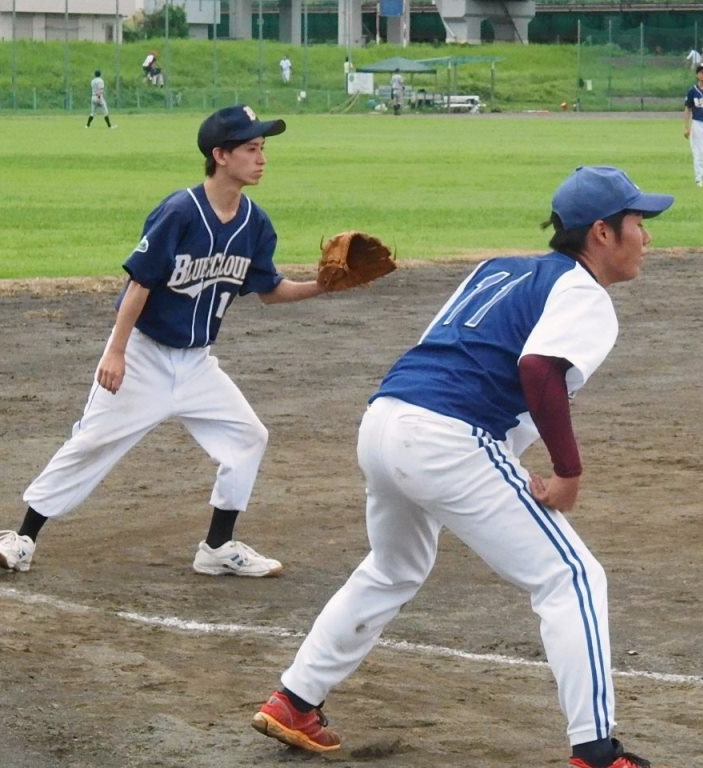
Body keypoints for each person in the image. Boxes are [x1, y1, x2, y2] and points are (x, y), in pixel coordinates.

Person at [251, 164, 675, 768]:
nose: (647, 236)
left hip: (385, 420)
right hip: (447, 436)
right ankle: (598, 754)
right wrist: (567, 473)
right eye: (638, 222)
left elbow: (447, 351)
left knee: (395, 566)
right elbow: (538, 371)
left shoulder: (496, 268)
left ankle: (295, 701)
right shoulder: (583, 293)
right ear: (601, 233)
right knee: (572, 577)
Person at [0, 105, 330, 578]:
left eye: (262, 148)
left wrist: (324, 286)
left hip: (198, 366)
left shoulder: (256, 224)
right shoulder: (180, 211)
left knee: (248, 437)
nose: (262, 158)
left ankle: (217, 547)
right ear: (220, 155)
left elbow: (270, 291)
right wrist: (116, 351)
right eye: (251, 149)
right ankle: (22, 538)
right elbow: (139, 284)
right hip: (144, 356)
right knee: (92, 442)